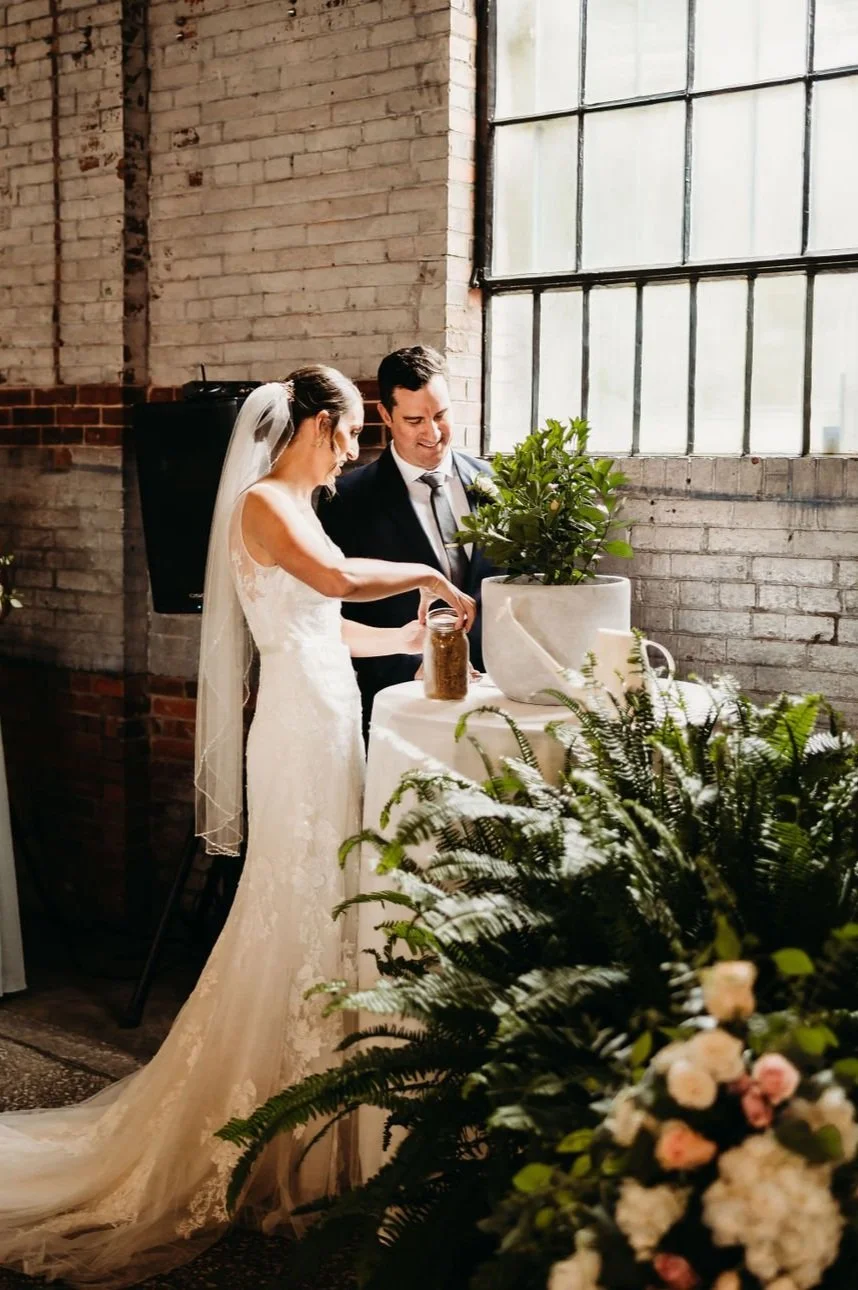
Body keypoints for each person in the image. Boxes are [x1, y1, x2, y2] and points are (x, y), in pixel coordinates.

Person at [0, 366, 475, 1289]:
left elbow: (325, 625)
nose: (354, 449)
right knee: (293, 900)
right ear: (315, 426)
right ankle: (276, 1121)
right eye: (348, 433)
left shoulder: (300, 504)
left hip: (331, 710)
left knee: (330, 900)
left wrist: (407, 642)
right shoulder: (263, 504)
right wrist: (424, 570)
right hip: (298, 729)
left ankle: (325, 1107)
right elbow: (334, 580)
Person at [319, 345, 501, 735]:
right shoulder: (346, 500)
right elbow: (333, 614)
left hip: (497, 699)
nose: (432, 433)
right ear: (385, 415)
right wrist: (412, 665)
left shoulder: (497, 482)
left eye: (441, 415)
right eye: (415, 419)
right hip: (401, 704)